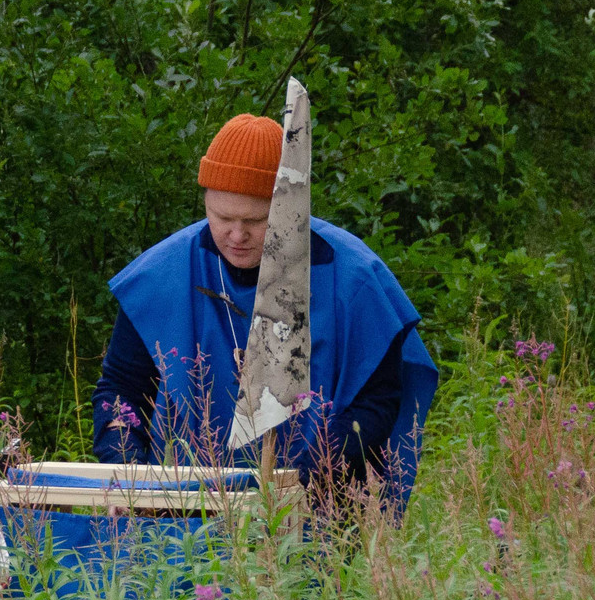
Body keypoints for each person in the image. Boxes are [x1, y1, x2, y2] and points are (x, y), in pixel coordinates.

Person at [92, 112, 438, 500]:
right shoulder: (161, 277)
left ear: (291, 210)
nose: (236, 236)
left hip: (320, 503)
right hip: (185, 509)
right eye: (221, 217)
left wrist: (320, 472)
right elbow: (122, 390)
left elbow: (376, 400)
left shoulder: (352, 276)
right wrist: (127, 473)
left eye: (256, 221)